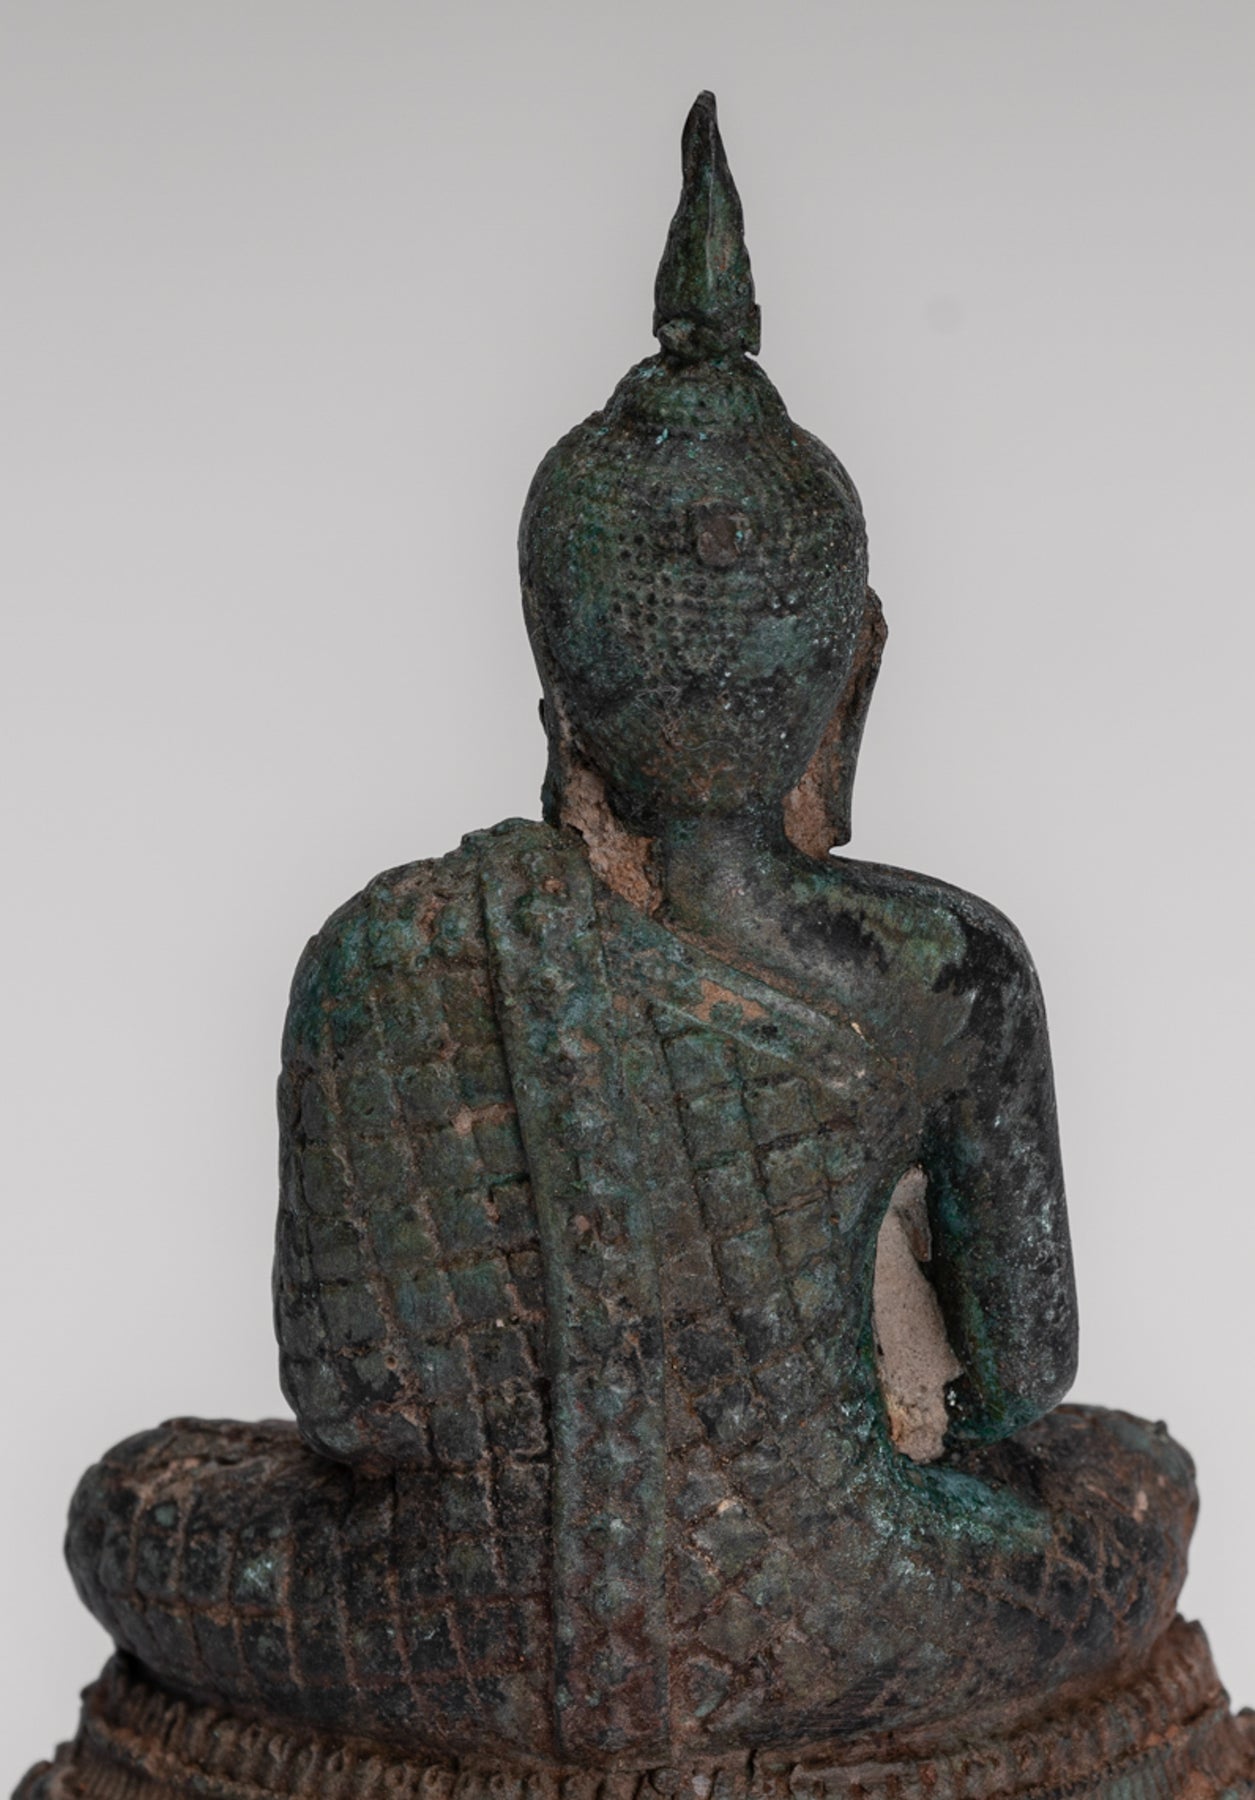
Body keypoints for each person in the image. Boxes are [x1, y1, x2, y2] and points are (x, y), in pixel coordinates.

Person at [64, 92, 1195, 1769]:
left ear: (558, 682)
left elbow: (350, 1398)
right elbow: (1021, 1387)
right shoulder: (945, 973)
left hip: (453, 1636)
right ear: (851, 673)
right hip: (859, 1622)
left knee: (131, 1505)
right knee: (1135, 1484)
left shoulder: (387, 954)